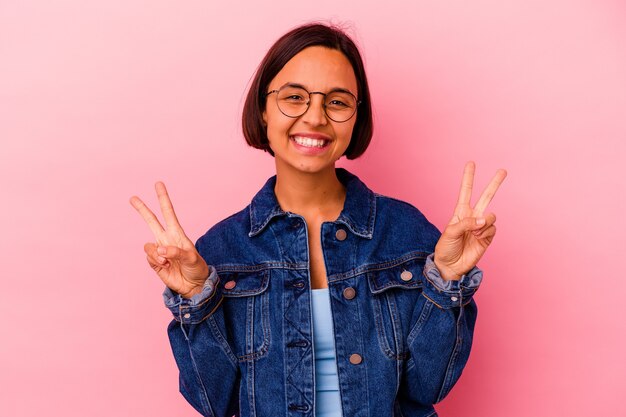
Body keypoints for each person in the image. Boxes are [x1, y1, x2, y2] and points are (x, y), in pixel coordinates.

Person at [130, 22, 506, 417]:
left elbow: (428, 386)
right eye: (294, 97)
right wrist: (195, 300)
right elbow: (214, 401)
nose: (315, 117)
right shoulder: (220, 253)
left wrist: (446, 281)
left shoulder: (406, 233)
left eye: (338, 102)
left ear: (356, 118)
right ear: (262, 108)